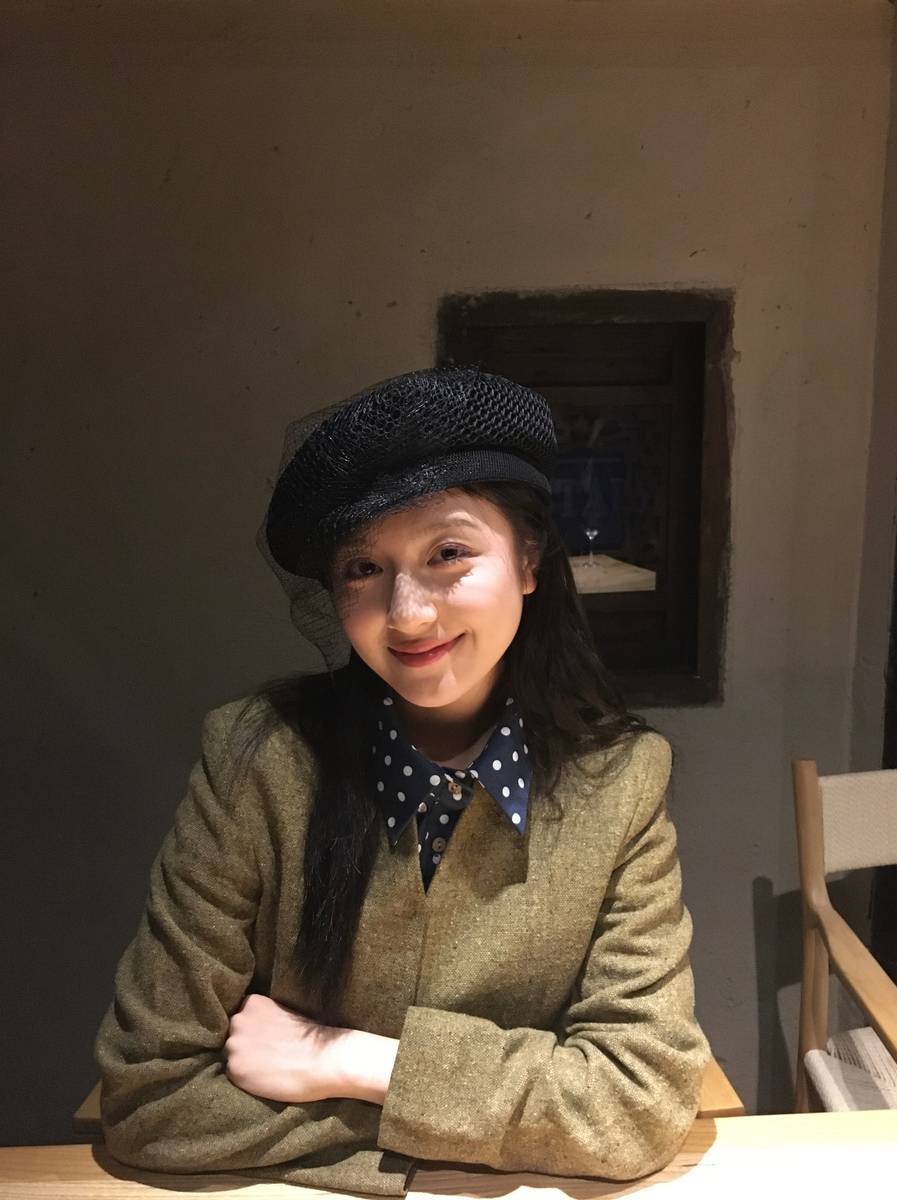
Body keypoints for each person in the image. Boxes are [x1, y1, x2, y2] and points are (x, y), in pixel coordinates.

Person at [93, 366, 710, 1195]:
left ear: (529, 559)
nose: (409, 612)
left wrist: (349, 1062)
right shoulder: (257, 760)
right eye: (362, 569)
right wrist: (506, 1120)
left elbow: (635, 1104)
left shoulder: (619, 782)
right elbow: (152, 1095)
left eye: (448, 553)